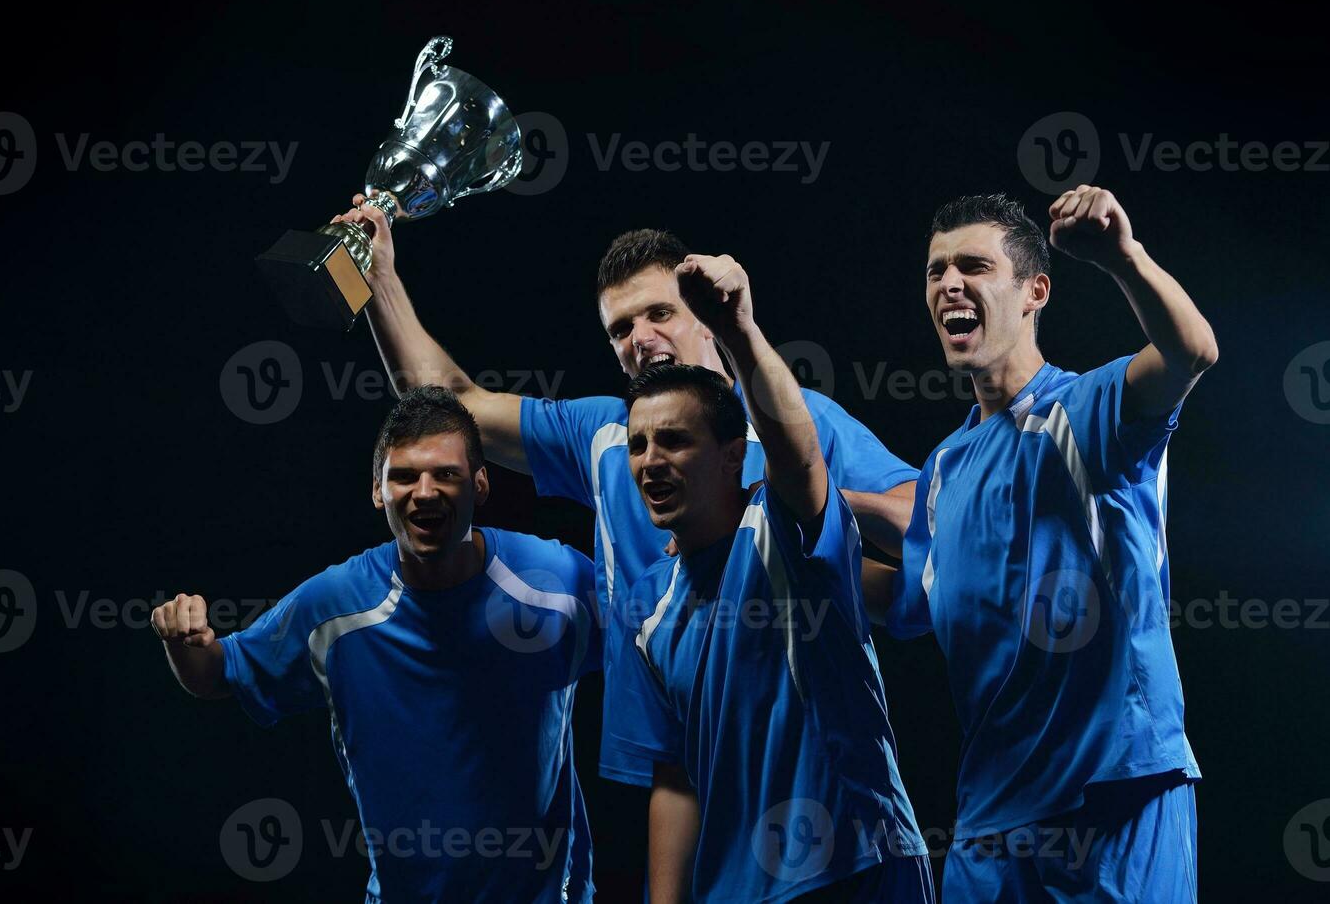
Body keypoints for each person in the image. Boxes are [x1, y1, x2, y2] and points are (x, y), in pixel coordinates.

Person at [334, 194, 919, 789]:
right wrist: (380, 279)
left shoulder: (795, 421)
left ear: (703, 315)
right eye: (620, 328)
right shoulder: (607, 435)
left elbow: (926, 522)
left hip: (808, 749)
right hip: (673, 753)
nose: (640, 337)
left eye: (659, 313)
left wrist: (793, 506)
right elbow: (453, 405)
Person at [883, 187, 1216, 901]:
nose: (948, 285)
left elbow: (1190, 351)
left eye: (972, 266)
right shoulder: (943, 468)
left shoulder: (1086, 409)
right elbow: (907, 600)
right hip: (989, 826)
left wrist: (1121, 257)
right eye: (935, 270)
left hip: (1115, 798)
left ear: (1034, 291)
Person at [150, 386, 601, 903]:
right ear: (377, 491)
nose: (425, 491)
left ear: (480, 483)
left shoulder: (555, 579)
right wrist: (185, 642)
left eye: (445, 474)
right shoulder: (335, 605)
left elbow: (650, 646)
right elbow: (217, 673)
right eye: (404, 476)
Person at [610, 254, 932, 903]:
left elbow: (799, 454)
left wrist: (737, 330)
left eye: (673, 441)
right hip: (734, 890)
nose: (650, 462)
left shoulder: (781, 527)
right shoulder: (644, 602)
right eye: (638, 445)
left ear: (732, 455)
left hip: (856, 865)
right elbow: (675, 774)